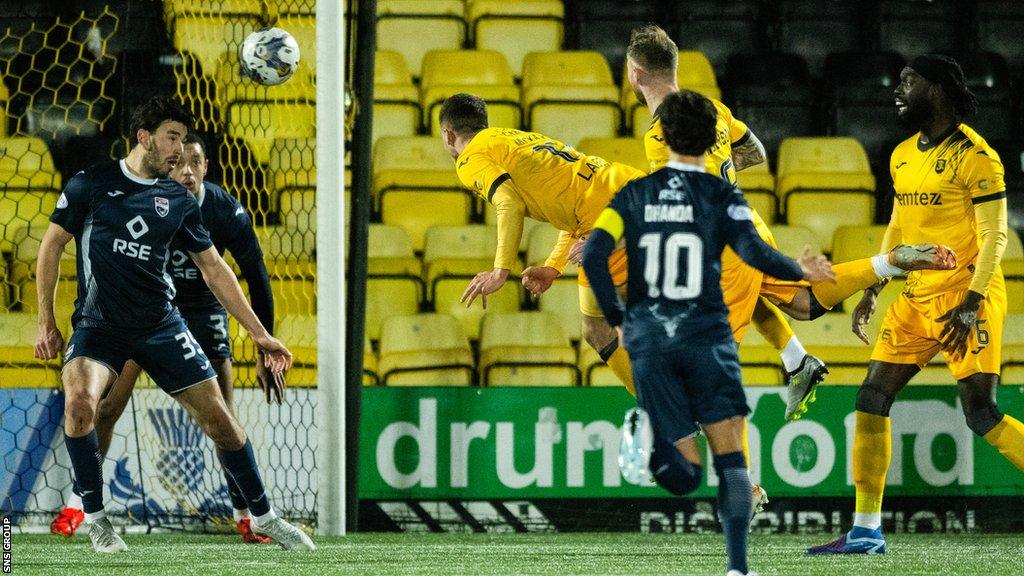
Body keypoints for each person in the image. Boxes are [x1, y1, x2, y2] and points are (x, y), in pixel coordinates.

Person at [624, 24, 956, 420]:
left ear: (635, 74)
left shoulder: (660, 133)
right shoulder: (711, 109)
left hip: (722, 250)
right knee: (804, 303)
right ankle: (805, 354)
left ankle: (745, 483)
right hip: (746, 224)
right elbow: (755, 151)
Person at [34, 97, 314, 553]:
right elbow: (51, 247)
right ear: (144, 137)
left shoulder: (179, 199)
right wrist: (46, 319)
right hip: (100, 325)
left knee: (221, 421)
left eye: (184, 140)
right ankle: (97, 518)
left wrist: (260, 333)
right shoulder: (92, 184)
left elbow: (215, 269)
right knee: (82, 404)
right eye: (173, 138)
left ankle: (266, 517)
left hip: (161, 325)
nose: (181, 150)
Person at [582, 90, 835, 576]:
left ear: (664, 136)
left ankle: (654, 448)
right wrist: (801, 271)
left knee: (684, 476)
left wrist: (615, 314)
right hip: (706, 341)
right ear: (712, 139)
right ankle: (737, 569)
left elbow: (594, 254)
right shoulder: (723, 197)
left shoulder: (634, 194)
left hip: (652, 342)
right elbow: (757, 256)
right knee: (731, 463)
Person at [808, 55, 1024, 555]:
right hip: (915, 296)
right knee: (871, 398)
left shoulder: (977, 157)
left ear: (940, 88)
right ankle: (865, 530)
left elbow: (995, 236)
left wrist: (971, 302)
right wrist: (874, 284)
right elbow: (900, 225)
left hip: (968, 295)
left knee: (982, 413)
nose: (897, 89)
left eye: (909, 81)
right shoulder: (902, 154)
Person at [439, 93, 645, 392]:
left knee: (602, 328)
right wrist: (553, 267)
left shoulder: (470, 159)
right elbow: (573, 203)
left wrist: (500, 271)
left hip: (611, 219)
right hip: (627, 193)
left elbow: (508, 204)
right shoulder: (513, 139)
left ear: (448, 134)